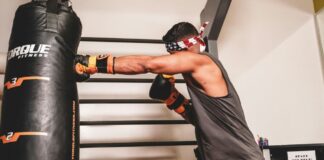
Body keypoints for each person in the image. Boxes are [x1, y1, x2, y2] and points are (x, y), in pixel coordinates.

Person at [74, 22, 264, 160]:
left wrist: (91, 63)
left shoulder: (201, 61)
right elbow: (203, 123)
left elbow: (149, 64)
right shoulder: (198, 75)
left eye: (175, 57)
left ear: (188, 47)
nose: (174, 63)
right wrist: (174, 100)